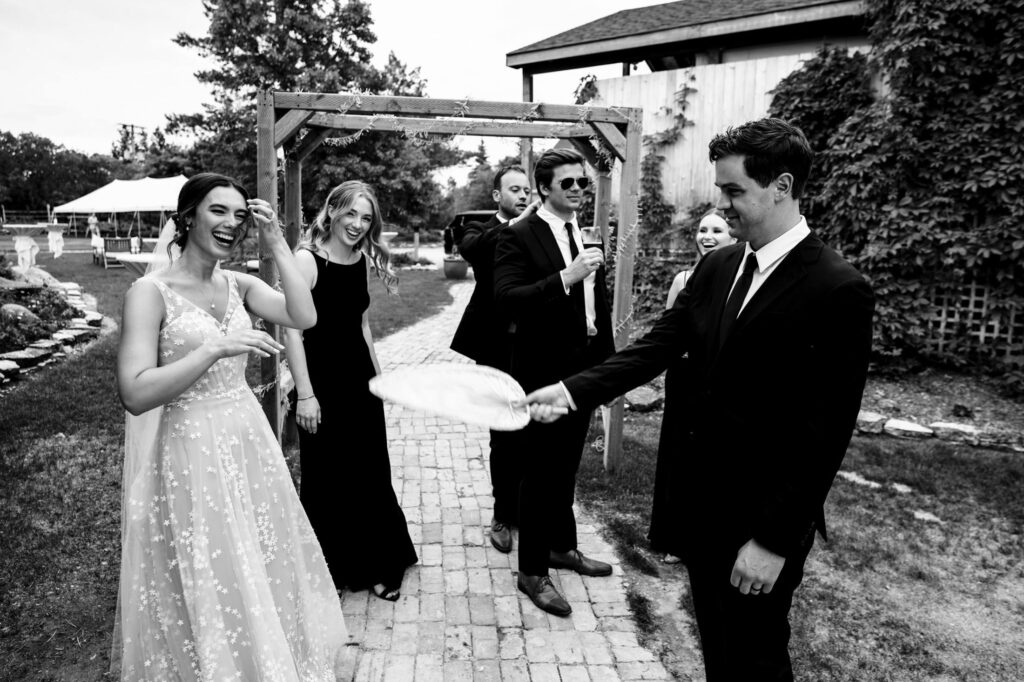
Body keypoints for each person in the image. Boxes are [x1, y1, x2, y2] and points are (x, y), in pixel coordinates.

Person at [524, 118, 875, 680]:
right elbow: (657, 347)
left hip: (762, 516)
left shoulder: (838, 288)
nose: (724, 205)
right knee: (716, 641)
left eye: (734, 191)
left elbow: (826, 430)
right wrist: (571, 391)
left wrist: (772, 540)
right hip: (702, 502)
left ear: (781, 186)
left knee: (755, 652)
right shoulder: (718, 266)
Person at [114, 173, 347, 679]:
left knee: (259, 556)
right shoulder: (148, 293)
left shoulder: (238, 283)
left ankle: (262, 662)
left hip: (247, 440)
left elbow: (303, 316)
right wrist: (213, 348)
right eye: (218, 211)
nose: (231, 224)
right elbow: (135, 393)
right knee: (211, 565)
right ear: (188, 216)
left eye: (239, 215)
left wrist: (278, 243)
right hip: (190, 449)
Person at [493, 148, 616, 617]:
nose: (580, 191)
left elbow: (595, 307)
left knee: (567, 466)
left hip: (584, 367)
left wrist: (605, 367)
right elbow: (507, 299)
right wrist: (565, 276)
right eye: (569, 184)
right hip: (542, 371)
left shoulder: (584, 234)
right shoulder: (519, 235)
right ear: (544, 188)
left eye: (583, 183)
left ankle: (561, 547)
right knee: (539, 470)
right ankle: (530, 571)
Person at [283, 180, 417, 602]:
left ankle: (379, 563)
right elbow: (290, 329)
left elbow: (361, 323)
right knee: (327, 476)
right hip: (321, 383)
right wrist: (304, 394)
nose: (358, 224)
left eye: (366, 218)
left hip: (358, 380)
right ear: (333, 211)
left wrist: (379, 378)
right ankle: (332, 567)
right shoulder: (308, 260)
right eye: (351, 214)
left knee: (370, 471)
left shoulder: (359, 258)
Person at [450, 165, 539, 553]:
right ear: (497, 197)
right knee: (503, 434)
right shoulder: (475, 228)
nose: (522, 195)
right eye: (514, 189)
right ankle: (502, 513)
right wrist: (522, 221)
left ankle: (530, 510)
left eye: (527, 190)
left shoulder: (541, 229)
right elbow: (473, 250)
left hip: (535, 345)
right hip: (495, 347)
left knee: (535, 432)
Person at [649, 209, 736, 565]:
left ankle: (706, 536)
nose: (707, 235)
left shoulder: (739, 280)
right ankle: (671, 537)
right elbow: (668, 332)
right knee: (677, 454)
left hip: (721, 380)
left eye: (717, 229)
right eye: (702, 229)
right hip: (684, 377)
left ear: (733, 237)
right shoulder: (683, 278)